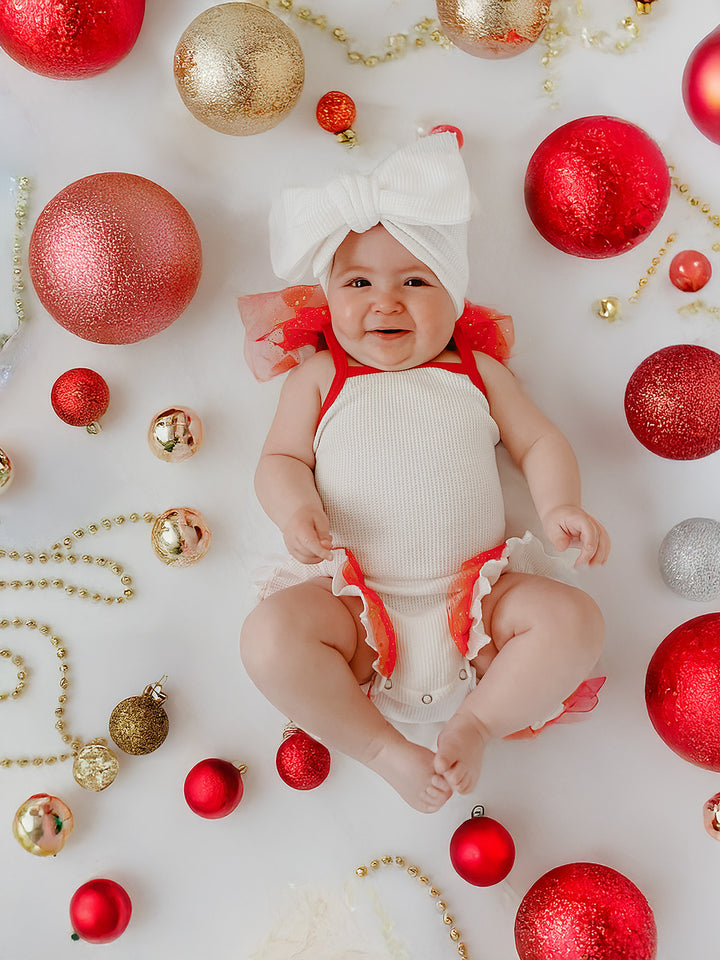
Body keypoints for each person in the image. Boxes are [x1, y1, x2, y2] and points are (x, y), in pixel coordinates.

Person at [239, 133, 609, 814]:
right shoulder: (322, 376)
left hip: (479, 607)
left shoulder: (476, 372)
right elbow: (280, 460)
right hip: (354, 606)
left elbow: (539, 442)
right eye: (359, 283)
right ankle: (382, 748)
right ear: (328, 295)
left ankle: (479, 722)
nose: (386, 302)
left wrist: (562, 506)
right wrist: (295, 509)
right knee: (267, 638)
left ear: (453, 294)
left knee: (575, 620)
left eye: (415, 281)